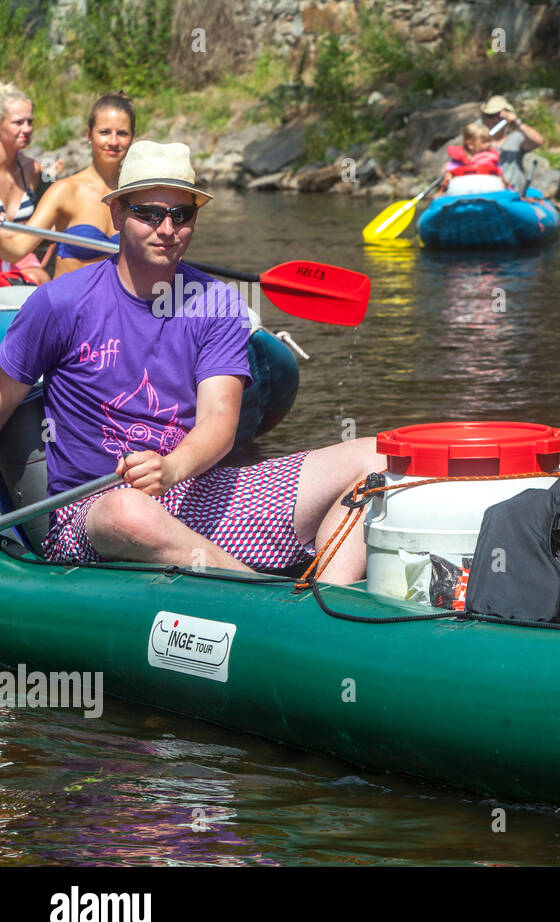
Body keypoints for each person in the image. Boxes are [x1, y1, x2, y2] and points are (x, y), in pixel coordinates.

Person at [0, 141, 387, 583]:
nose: (167, 228)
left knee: (375, 455)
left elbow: (220, 420)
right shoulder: (58, 303)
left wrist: (172, 468)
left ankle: (329, 601)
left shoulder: (217, 303)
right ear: (118, 215)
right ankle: (270, 600)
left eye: (180, 215)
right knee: (130, 509)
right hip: (92, 511)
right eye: (148, 213)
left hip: (194, 490)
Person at [0, 91, 133, 277]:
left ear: (132, 137)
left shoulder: (137, 195)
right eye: (104, 132)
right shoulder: (64, 191)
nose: (113, 141)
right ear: (89, 134)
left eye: (122, 133)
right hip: (73, 304)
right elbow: (17, 248)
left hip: (119, 305)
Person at [0, 83, 55, 284]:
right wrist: (30, 229)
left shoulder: (33, 169)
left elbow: (53, 222)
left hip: (23, 261)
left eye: (30, 122)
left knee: (40, 279)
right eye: (18, 122)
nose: (27, 129)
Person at [479, 95, 544, 193]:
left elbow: (538, 141)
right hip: (487, 192)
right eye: (490, 116)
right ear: (484, 117)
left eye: (499, 116)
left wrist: (517, 123)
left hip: (513, 194)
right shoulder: (476, 140)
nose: (495, 120)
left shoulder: (516, 138)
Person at [438, 122, 504, 192]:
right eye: (484, 142)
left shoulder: (493, 158)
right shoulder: (458, 161)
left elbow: (501, 173)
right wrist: (447, 174)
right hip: (465, 193)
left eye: (489, 141)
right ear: (470, 145)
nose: (488, 144)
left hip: (489, 191)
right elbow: (448, 176)